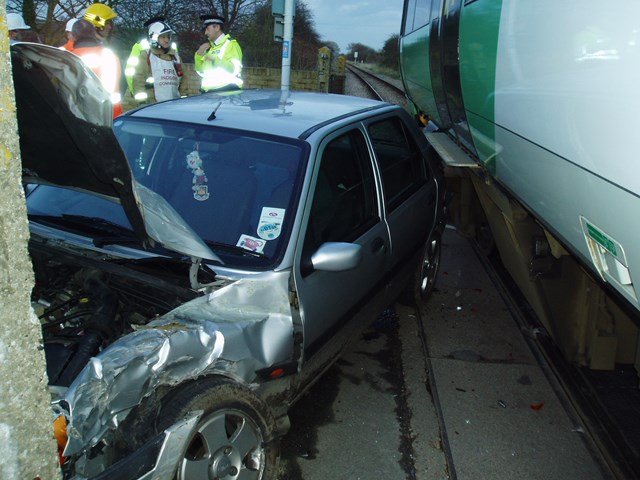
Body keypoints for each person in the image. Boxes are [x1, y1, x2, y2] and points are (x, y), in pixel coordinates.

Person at [71, 19, 123, 118]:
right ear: (94, 33)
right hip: (112, 115)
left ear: (73, 37)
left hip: (82, 117)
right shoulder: (110, 55)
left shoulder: (69, 59)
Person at [131, 20, 185, 104]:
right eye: (163, 37)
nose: (167, 40)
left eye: (168, 37)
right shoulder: (146, 56)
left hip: (175, 106)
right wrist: (142, 103)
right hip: (153, 106)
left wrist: (184, 101)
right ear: (154, 38)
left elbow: (184, 82)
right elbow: (138, 81)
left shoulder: (176, 57)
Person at [124, 16, 177, 95]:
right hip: (149, 91)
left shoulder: (172, 46)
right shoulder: (140, 46)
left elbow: (177, 68)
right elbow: (131, 71)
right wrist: (134, 91)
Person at [195, 14, 243, 92]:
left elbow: (235, 69)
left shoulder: (231, 44)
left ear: (217, 27)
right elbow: (201, 72)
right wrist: (198, 55)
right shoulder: (211, 48)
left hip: (227, 91)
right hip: (208, 93)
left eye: (207, 29)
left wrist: (214, 60)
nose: (205, 33)